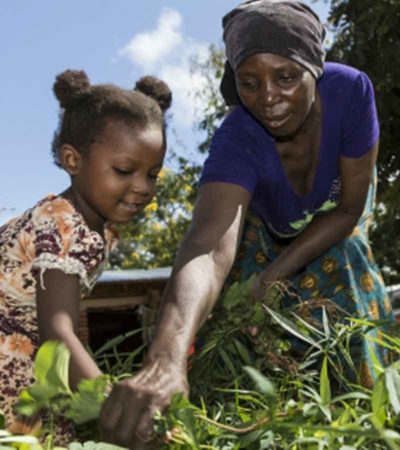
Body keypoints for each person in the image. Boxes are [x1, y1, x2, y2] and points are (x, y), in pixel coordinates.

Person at [100, 1, 394, 448]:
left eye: (287, 77)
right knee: (244, 329)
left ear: (314, 67)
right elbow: (207, 247)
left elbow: (349, 209)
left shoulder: (351, 93)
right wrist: (166, 357)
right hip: (265, 232)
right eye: (250, 82)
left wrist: (273, 278)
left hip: (338, 219)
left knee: (349, 277)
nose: (269, 97)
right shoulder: (237, 138)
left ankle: (374, 424)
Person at [0, 69, 172, 440]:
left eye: (153, 174)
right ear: (72, 161)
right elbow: (57, 333)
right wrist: (114, 404)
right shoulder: (63, 225)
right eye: (125, 170)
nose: (143, 187)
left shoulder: (90, 225)